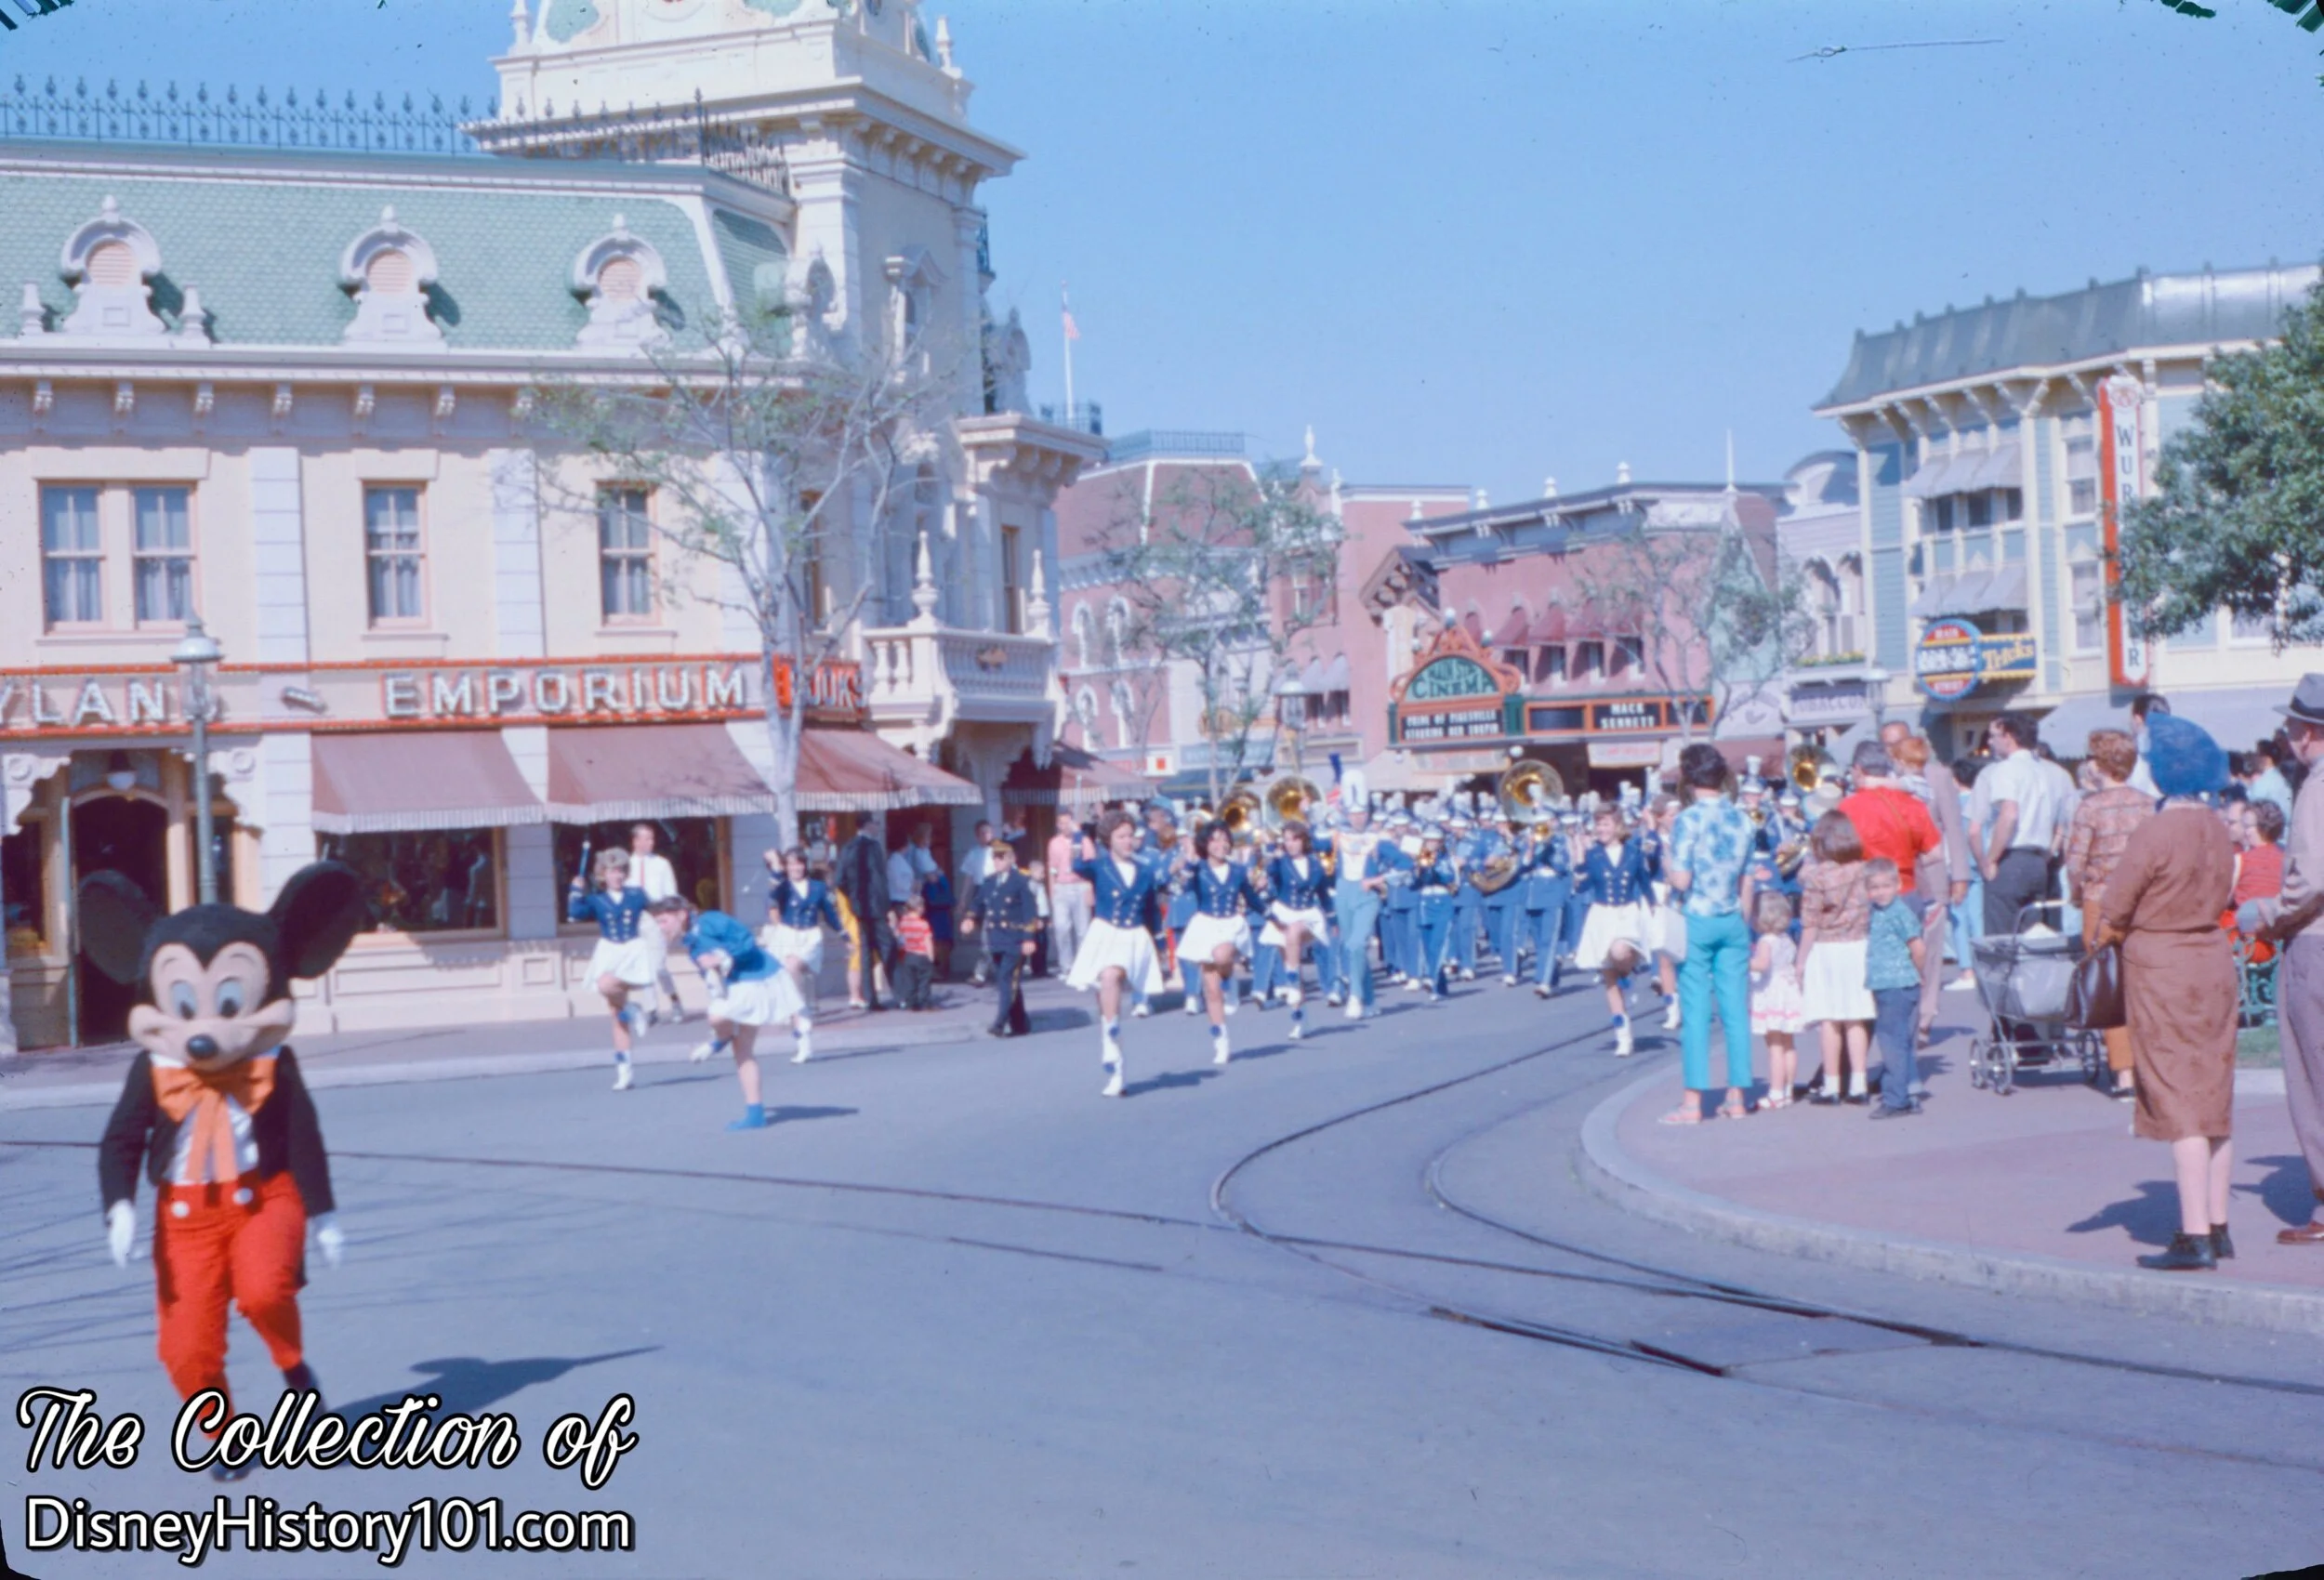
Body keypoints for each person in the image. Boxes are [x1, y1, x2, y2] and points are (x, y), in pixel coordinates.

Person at [2093, 714, 2240, 1271]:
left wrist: (2104, 934)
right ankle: (2220, 1223)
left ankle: (2193, 1235)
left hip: (2162, 964)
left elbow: (2117, 904)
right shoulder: (2217, 826)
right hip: (2211, 958)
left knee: (2178, 1097)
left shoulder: (2156, 831)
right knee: (2213, 1094)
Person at [1663, 742, 1757, 1124]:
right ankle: (1737, 1098)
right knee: (1736, 1011)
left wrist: (1667, 858)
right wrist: (1744, 927)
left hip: (1697, 918)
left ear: (1688, 777)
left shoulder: (1687, 820)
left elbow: (1682, 880)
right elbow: (1747, 882)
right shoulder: (1744, 819)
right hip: (1733, 918)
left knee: (1697, 1012)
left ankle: (1692, 1103)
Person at [654, 895, 804, 1130]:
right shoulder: (691, 943)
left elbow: (746, 940)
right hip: (739, 985)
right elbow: (713, 978)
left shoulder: (710, 921)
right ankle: (755, 1113)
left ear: (681, 915)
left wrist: (722, 957)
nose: (660, 928)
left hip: (759, 976)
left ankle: (719, 1041)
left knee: (717, 1017)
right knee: (742, 1049)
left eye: (663, 921)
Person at [2064, 729, 2158, 1099]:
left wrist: (2077, 895)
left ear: (2100, 763)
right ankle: (2150, 1068)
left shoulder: (2089, 807)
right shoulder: (2148, 805)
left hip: (2101, 902)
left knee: (2110, 986)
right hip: (2142, 902)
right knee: (2143, 986)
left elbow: (2075, 862)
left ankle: (2123, 1074)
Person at [2263, 675, 2324, 1244]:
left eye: (2290, 726)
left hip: (2316, 940)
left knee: (2313, 1072)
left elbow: (2310, 880)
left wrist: (2270, 914)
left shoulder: (2314, 788)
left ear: (2309, 732)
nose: (2285, 736)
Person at [1066, 810, 1169, 1096]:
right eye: (1120, 836)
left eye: (1130, 836)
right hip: (1106, 932)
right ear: (1108, 840)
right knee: (1108, 979)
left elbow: (1151, 912)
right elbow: (1076, 865)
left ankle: (1110, 1033)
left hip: (1133, 935)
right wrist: (1077, 834)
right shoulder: (1099, 867)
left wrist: (1161, 947)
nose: (1127, 841)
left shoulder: (1145, 871)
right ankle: (1111, 1040)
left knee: (1112, 977)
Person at [1883, 726, 1972, 1041]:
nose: (1893, 750)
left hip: (1932, 879)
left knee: (1931, 952)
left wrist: (1959, 875)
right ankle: (1902, 1015)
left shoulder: (1937, 776)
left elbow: (1952, 826)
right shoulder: (1884, 779)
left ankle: (1925, 1015)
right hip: (1893, 881)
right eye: (1888, 745)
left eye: (1898, 743)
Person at [1797, 810, 1875, 1104]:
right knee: (1856, 1018)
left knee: (1830, 1020)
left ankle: (1832, 1085)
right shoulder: (1864, 871)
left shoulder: (1818, 876)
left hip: (1827, 949)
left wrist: (1800, 961)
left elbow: (1810, 922)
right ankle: (1859, 1083)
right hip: (1859, 946)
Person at [1175, 820, 1266, 1064]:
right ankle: (1221, 1040)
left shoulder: (1237, 870)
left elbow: (1250, 896)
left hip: (1230, 924)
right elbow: (1183, 887)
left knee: (1222, 956)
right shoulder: (1199, 869)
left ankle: (1229, 978)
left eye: (1224, 838)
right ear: (1205, 843)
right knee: (1211, 990)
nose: (1221, 844)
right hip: (1205, 924)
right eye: (1214, 839)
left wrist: (1269, 912)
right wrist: (1186, 866)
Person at [1573, 805, 1657, 1059]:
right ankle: (1623, 1035)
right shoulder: (1594, 855)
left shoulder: (1632, 853)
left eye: (1606, 824)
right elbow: (1581, 887)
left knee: (1620, 952)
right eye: (1598, 824)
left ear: (1618, 827)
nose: (1601, 829)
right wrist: (1579, 860)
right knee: (1608, 976)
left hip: (1627, 913)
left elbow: (1643, 881)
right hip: (1602, 915)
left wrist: (1654, 906)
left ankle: (1629, 969)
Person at [568, 849, 654, 1091]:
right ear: (602, 874)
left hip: (632, 951)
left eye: (620, 870)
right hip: (609, 951)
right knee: (617, 1016)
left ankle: (632, 1009)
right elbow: (575, 913)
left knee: (607, 987)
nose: (616, 875)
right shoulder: (596, 900)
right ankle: (625, 1071)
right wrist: (576, 890)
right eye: (611, 871)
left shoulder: (636, 895)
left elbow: (659, 909)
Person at [1974, 713, 2062, 936]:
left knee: (2002, 939)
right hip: (2038, 860)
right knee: (2032, 936)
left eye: (1994, 736)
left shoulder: (2006, 769)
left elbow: (2009, 814)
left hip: (2011, 858)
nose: (1990, 742)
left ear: (2009, 737)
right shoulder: (2044, 771)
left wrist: (1990, 859)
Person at [1863, 858, 1928, 1119]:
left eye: (1886, 886)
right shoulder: (1877, 912)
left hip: (1897, 985)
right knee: (1900, 1041)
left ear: (1898, 885)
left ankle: (1895, 1099)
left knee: (1891, 1042)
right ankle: (1909, 1092)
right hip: (1888, 984)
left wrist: (1917, 972)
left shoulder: (1899, 913)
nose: (1880, 892)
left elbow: (1918, 947)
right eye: (1874, 887)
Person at [761, 849, 839, 1063]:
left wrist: (843, 933)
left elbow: (831, 912)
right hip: (787, 934)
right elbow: (772, 895)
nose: (795, 868)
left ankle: (795, 1008)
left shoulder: (819, 887)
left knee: (792, 966)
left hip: (810, 936)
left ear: (805, 865)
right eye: (791, 864)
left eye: (799, 863)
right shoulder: (783, 886)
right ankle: (804, 1043)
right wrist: (776, 867)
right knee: (787, 976)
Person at [1260, 818, 1333, 1039]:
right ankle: (1301, 1020)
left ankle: (1289, 978)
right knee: (1291, 962)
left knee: (1294, 930)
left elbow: (1323, 894)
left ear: (1303, 840)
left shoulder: (1316, 863)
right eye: (1287, 840)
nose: (1290, 844)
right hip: (1283, 911)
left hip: (1308, 914)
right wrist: (1271, 853)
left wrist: (1333, 919)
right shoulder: (1280, 863)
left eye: (1294, 839)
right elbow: (1269, 872)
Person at [959, 838, 1040, 1037]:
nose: (997, 861)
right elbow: (977, 903)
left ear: (1011, 859)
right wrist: (970, 919)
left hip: (1015, 938)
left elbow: (1030, 912)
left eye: (1001, 857)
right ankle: (1020, 1023)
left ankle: (999, 1022)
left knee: (1006, 979)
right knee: (1008, 982)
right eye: (995, 857)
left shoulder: (1021, 881)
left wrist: (1029, 938)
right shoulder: (989, 882)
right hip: (996, 938)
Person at [1332, 800, 1400, 1021]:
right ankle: (1370, 1001)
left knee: (1357, 943)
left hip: (1366, 892)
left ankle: (1355, 996)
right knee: (1351, 947)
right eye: (1354, 814)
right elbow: (1311, 840)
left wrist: (1379, 879)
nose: (1358, 818)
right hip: (1344, 890)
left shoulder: (1378, 839)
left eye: (1362, 813)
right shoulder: (1338, 836)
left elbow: (1406, 863)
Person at [1749, 891, 1804, 1108]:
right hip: (1788, 991)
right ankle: (1788, 1089)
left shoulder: (1765, 941)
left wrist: (1744, 963)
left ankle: (1775, 1092)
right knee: (1788, 1044)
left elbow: (1762, 965)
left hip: (1772, 993)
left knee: (1774, 1045)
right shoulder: (1786, 939)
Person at [1509, 814, 1574, 998]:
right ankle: (1552, 973)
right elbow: (1522, 866)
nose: (1541, 828)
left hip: (1552, 894)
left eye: (1544, 824)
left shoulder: (1560, 841)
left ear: (1552, 823)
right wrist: (1530, 847)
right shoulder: (1527, 841)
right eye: (1537, 824)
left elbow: (1562, 866)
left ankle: (1544, 981)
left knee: (1549, 939)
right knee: (1539, 942)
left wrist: (1547, 847)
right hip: (1532, 895)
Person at [628, 823, 687, 1023]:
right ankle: (651, 1008)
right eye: (645, 838)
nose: (649, 843)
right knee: (644, 965)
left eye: (652, 839)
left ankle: (675, 1000)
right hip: (637, 919)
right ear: (635, 841)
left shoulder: (662, 864)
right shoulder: (627, 865)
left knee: (658, 966)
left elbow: (671, 893)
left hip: (658, 915)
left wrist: (672, 922)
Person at [833, 822, 891, 1011]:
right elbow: (840, 880)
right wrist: (856, 899)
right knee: (860, 950)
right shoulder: (858, 849)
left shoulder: (852, 848)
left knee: (867, 951)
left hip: (863, 906)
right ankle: (857, 994)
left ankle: (864, 994)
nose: (877, 827)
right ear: (868, 825)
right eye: (874, 823)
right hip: (858, 908)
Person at [1408, 829, 1460, 1003]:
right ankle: (1440, 985)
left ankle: (1431, 978)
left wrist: (1433, 867)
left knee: (1439, 944)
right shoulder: (1418, 860)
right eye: (1428, 841)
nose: (1431, 844)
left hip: (1442, 901)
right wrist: (1417, 870)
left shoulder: (1447, 859)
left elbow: (1451, 879)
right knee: (1428, 946)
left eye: (1435, 841)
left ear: (1440, 843)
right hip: (1424, 903)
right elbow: (1411, 884)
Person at [1047, 810, 1094, 984]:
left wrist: (1090, 890)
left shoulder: (1084, 840)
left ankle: (1083, 966)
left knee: (1083, 930)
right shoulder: (1054, 843)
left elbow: (1091, 867)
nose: (1064, 826)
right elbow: (1052, 868)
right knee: (1061, 928)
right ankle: (1066, 966)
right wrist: (1052, 891)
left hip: (1080, 885)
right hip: (1062, 886)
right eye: (1061, 823)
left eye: (1067, 822)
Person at [957, 820, 1000, 987]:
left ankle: (981, 973)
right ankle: (990, 970)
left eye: (988, 832)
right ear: (977, 836)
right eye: (982, 833)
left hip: (994, 893)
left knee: (987, 936)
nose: (986, 836)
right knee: (984, 935)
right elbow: (968, 878)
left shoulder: (997, 852)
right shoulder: (973, 853)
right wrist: (963, 899)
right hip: (979, 893)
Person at [891, 894, 937, 1010]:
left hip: (908, 955)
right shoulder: (923, 924)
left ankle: (911, 1003)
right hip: (922, 955)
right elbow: (927, 941)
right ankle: (925, 1002)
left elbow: (897, 936)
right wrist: (931, 957)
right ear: (919, 908)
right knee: (924, 981)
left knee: (910, 980)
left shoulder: (903, 922)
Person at [2248, 741, 2295, 821]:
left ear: (2266, 759)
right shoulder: (2281, 780)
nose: (2255, 758)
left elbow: (2254, 811)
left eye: (2258, 755)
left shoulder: (2263, 783)